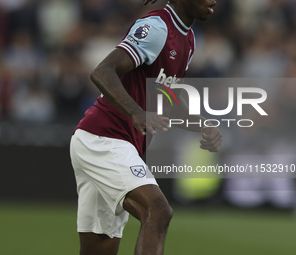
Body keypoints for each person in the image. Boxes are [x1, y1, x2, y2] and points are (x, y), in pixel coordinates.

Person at [70, 0, 221, 254]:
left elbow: (165, 101)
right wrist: (137, 112)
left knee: (101, 247)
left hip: (109, 142)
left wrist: (201, 125)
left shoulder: (189, 39)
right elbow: (103, 71)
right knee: (158, 211)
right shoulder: (157, 27)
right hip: (105, 138)